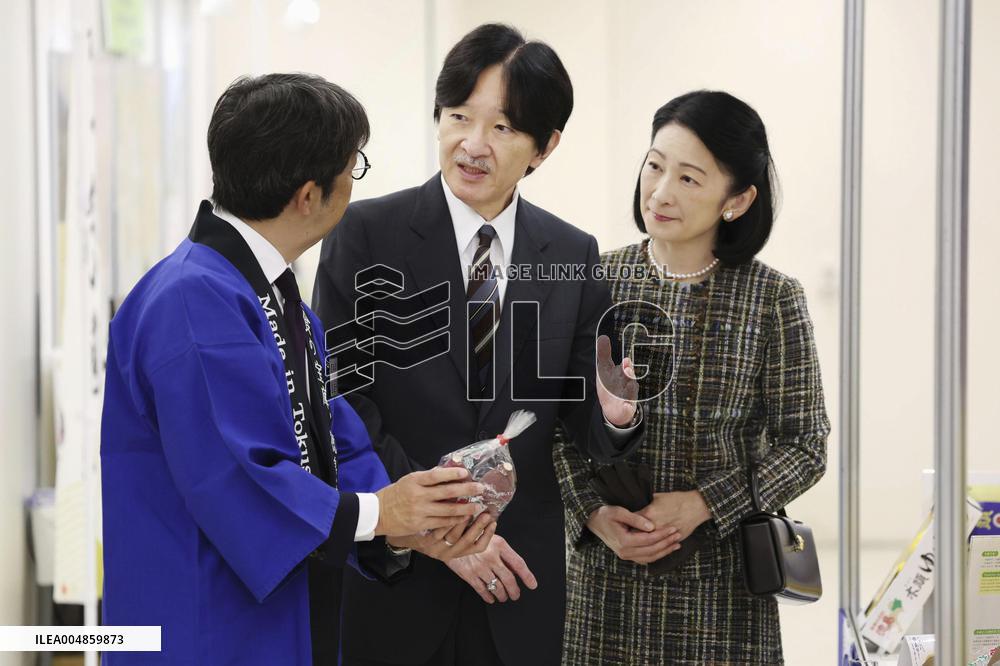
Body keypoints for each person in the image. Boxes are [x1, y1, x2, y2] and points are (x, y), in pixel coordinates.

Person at [100, 73, 491, 665]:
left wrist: (403, 520)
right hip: (202, 625)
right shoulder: (192, 299)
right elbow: (237, 475)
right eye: (353, 166)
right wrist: (382, 512)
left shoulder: (282, 302)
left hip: (278, 619)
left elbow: (334, 443)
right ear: (309, 195)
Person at [312, 23, 651, 666]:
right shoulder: (364, 233)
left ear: (543, 148)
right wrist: (440, 525)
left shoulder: (572, 255)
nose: (473, 145)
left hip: (516, 581)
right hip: (399, 570)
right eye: (459, 117)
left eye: (502, 128)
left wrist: (616, 414)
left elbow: (583, 423)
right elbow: (343, 399)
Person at [553, 91, 829, 664]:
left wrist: (704, 503)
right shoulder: (596, 278)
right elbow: (558, 424)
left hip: (722, 587)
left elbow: (805, 445)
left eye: (689, 178)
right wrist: (592, 514)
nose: (660, 192)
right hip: (606, 581)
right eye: (654, 166)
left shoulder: (772, 298)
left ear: (738, 199)